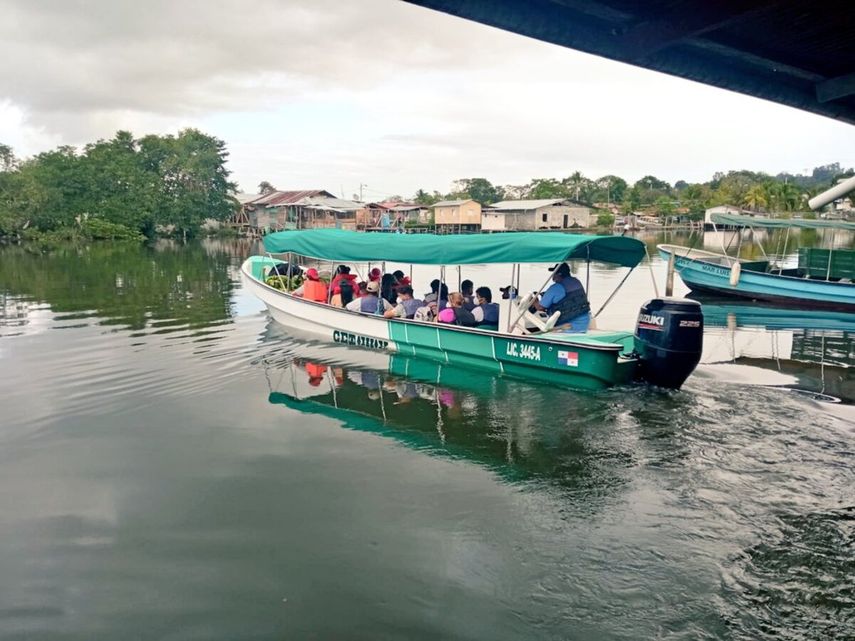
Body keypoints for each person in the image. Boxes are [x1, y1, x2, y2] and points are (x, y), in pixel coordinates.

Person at [532, 262, 591, 331]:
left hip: (568, 327)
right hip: (584, 324)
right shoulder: (576, 281)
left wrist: (534, 300)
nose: (552, 275)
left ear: (559, 274)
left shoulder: (556, 287)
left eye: (554, 273)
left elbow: (540, 307)